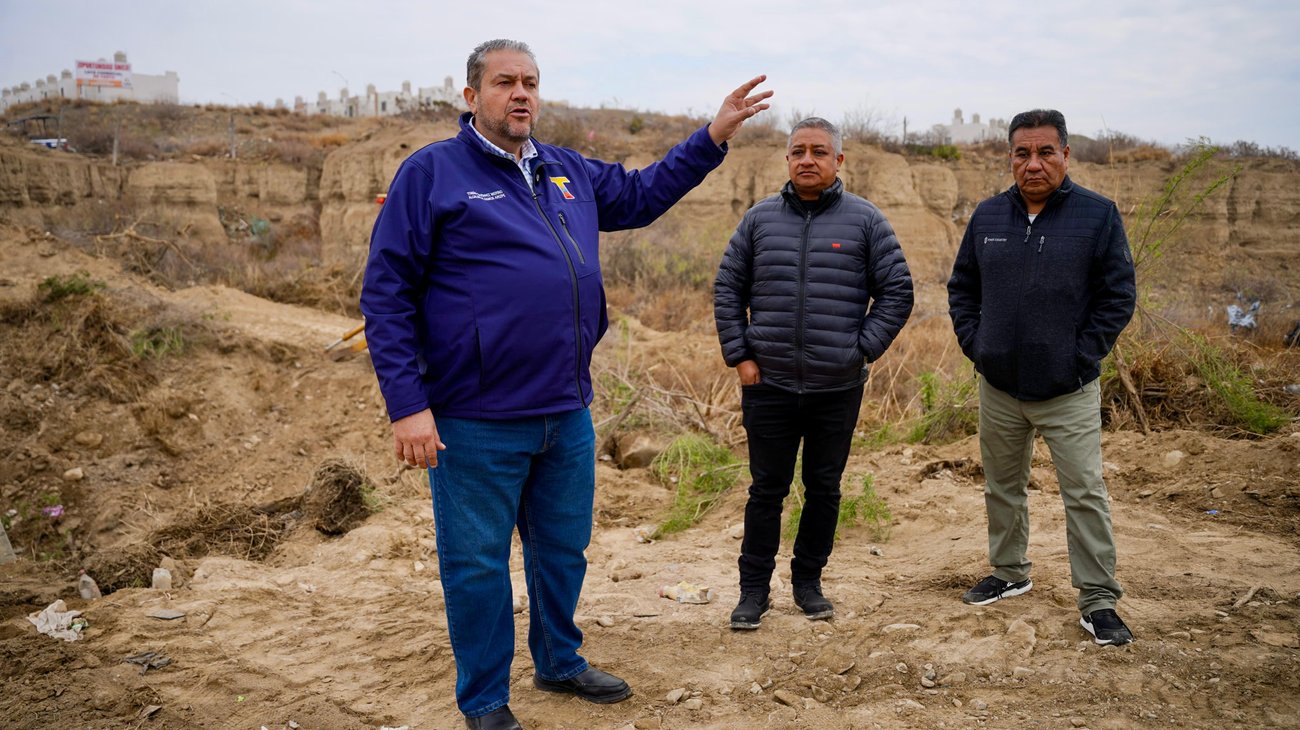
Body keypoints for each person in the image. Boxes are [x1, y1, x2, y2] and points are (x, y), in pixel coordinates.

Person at [360, 39, 771, 730]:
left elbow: (641, 195)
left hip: (565, 408)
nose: (519, 94)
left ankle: (558, 659)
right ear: (471, 97)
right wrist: (409, 407)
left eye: (530, 82)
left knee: (561, 550)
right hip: (474, 417)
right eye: (503, 83)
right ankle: (486, 700)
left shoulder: (565, 170)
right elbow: (387, 294)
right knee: (477, 567)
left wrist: (711, 138)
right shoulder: (432, 173)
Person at [946, 109, 1137, 646]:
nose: (1033, 163)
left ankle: (1098, 599)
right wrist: (978, 347)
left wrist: (1081, 356)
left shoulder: (1097, 216)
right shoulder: (987, 218)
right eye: (1022, 153)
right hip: (1000, 387)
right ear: (1010, 157)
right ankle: (1009, 572)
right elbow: (962, 289)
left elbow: (1118, 296)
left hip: (1068, 390)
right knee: (1003, 487)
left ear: (1066, 155)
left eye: (1045, 152)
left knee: (1084, 492)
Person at [714, 117, 913, 630]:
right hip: (769, 385)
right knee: (766, 491)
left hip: (836, 387)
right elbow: (727, 290)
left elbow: (897, 292)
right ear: (787, 159)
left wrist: (860, 351)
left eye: (819, 152)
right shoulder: (758, 220)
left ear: (838, 161)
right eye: (798, 151)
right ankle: (753, 592)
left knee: (824, 489)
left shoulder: (866, 220)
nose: (808, 159)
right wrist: (742, 356)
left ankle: (808, 583)